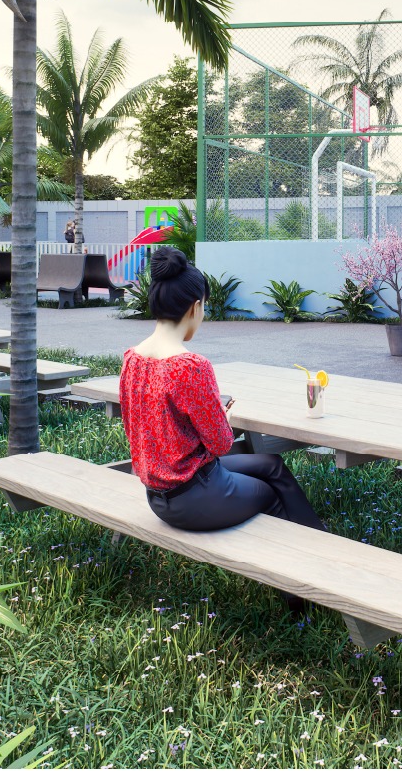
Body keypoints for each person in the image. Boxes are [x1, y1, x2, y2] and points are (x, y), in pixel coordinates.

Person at [118, 246, 326, 610]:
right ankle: (304, 593)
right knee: (272, 494)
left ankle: (323, 547)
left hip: (158, 494)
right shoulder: (190, 366)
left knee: (273, 465)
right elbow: (220, 443)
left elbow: (147, 426)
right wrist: (222, 418)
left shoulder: (132, 359)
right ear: (195, 306)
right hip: (195, 499)